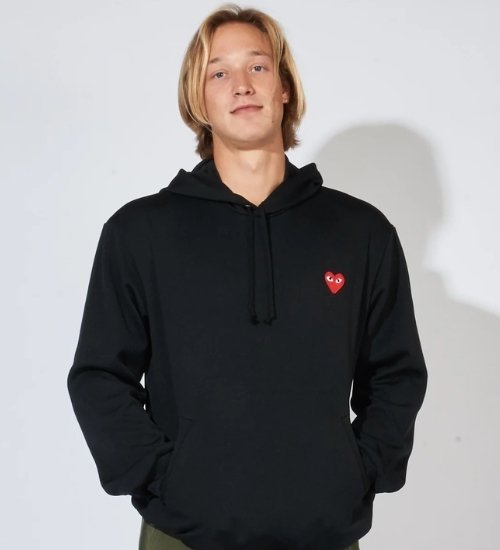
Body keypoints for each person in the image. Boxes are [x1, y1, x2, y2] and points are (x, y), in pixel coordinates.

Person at [67, 4, 428, 550]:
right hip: (183, 535)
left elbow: (396, 374)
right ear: (198, 99)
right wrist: (162, 482)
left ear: (284, 87)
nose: (241, 85)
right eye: (219, 72)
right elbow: (99, 375)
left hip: (324, 533)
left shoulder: (361, 232)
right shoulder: (139, 232)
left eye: (258, 66)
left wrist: (357, 476)